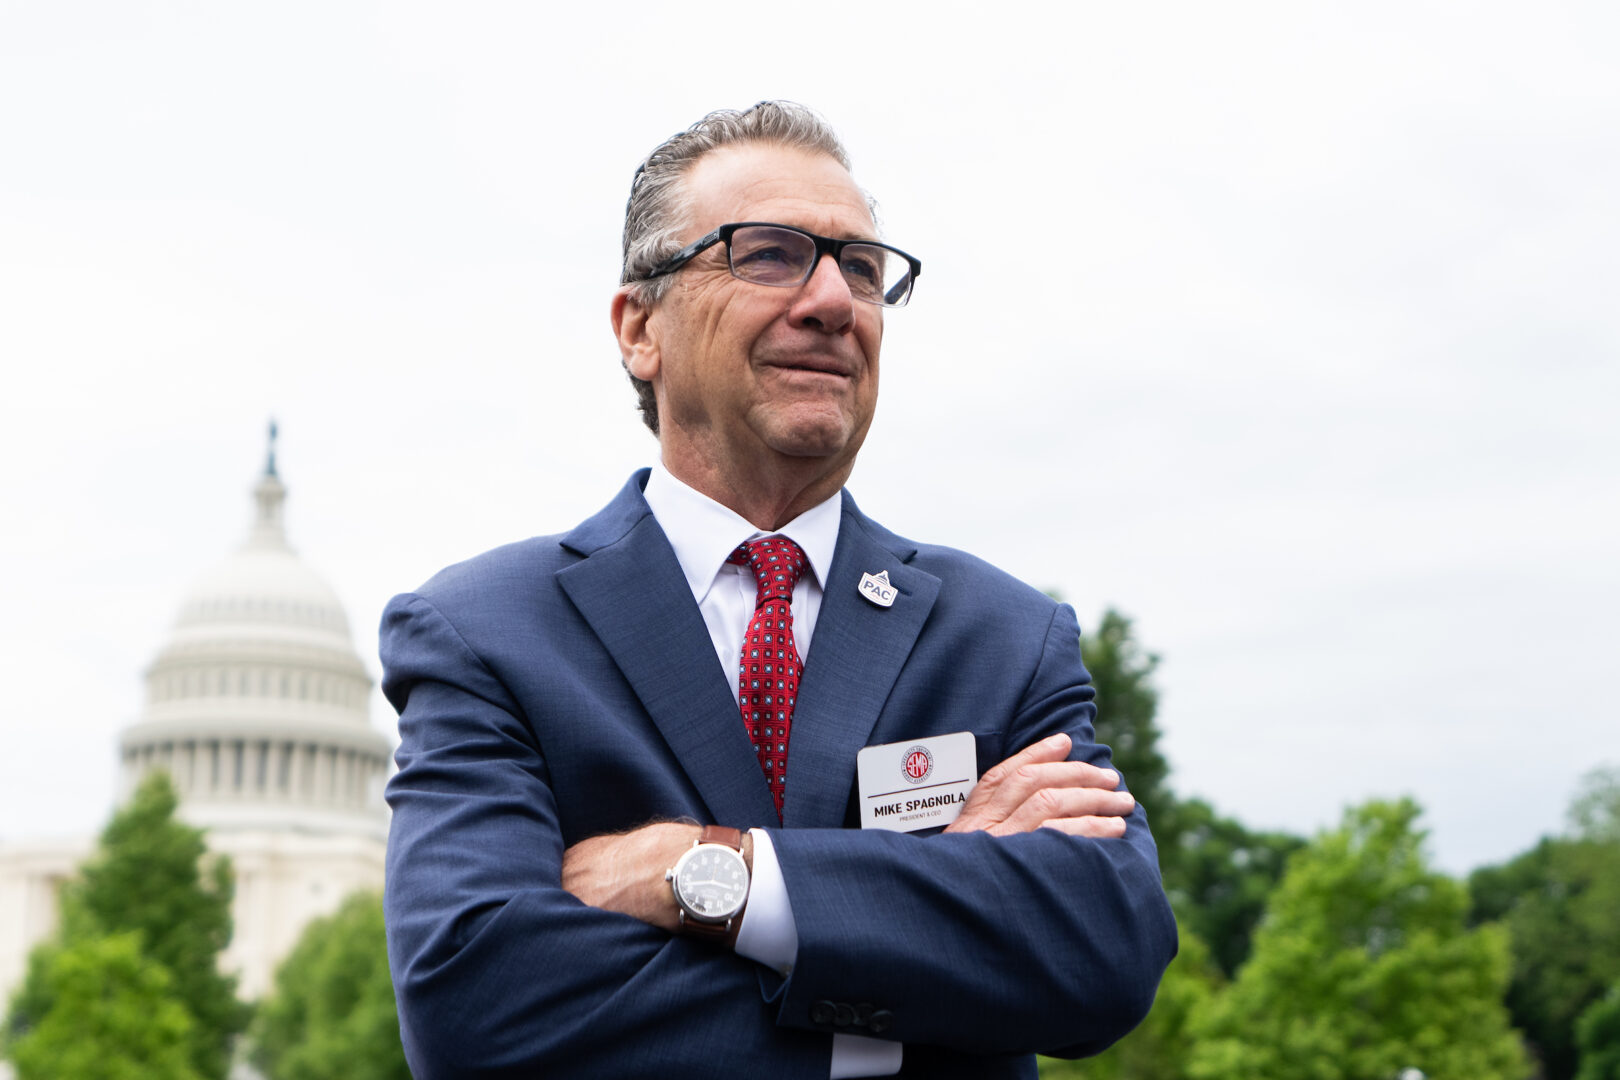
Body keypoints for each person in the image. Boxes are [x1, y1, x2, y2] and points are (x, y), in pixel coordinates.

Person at [381, 101, 1177, 1080]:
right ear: (640, 327)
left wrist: (708, 876)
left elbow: (1104, 951)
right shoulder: (487, 634)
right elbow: (477, 1006)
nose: (834, 301)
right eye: (769, 254)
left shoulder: (1004, 637)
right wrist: (919, 964)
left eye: (863, 269)